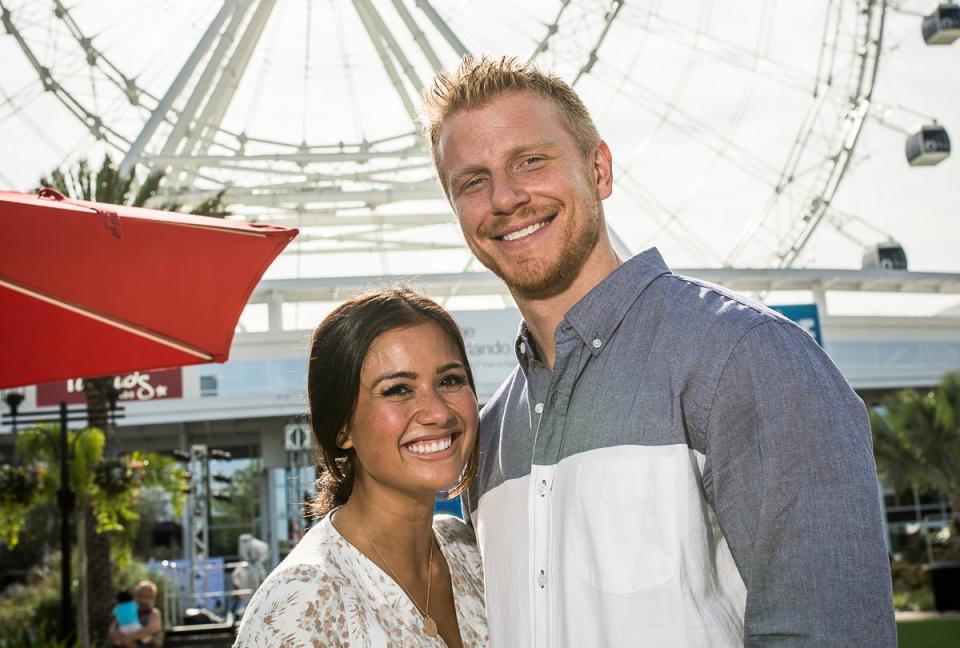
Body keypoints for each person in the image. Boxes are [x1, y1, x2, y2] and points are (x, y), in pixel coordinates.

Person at [421, 56, 896, 647]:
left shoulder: (748, 358)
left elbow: (832, 633)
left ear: (599, 170)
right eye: (472, 181)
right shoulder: (489, 435)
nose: (506, 197)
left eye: (531, 161)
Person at [234, 288, 488, 647]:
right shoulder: (303, 601)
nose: (439, 412)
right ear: (341, 428)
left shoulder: (466, 550)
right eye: (398, 389)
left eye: (450, 380)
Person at [108, 580, 162, 648]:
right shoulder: (127, 612)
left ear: (153, 599)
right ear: (135, 596)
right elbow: (112, 630)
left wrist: (129, 639)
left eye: (147, 597)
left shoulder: (154, 613)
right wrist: (123, 639)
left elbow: (149, 630)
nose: (143, 600)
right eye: (140, 595)